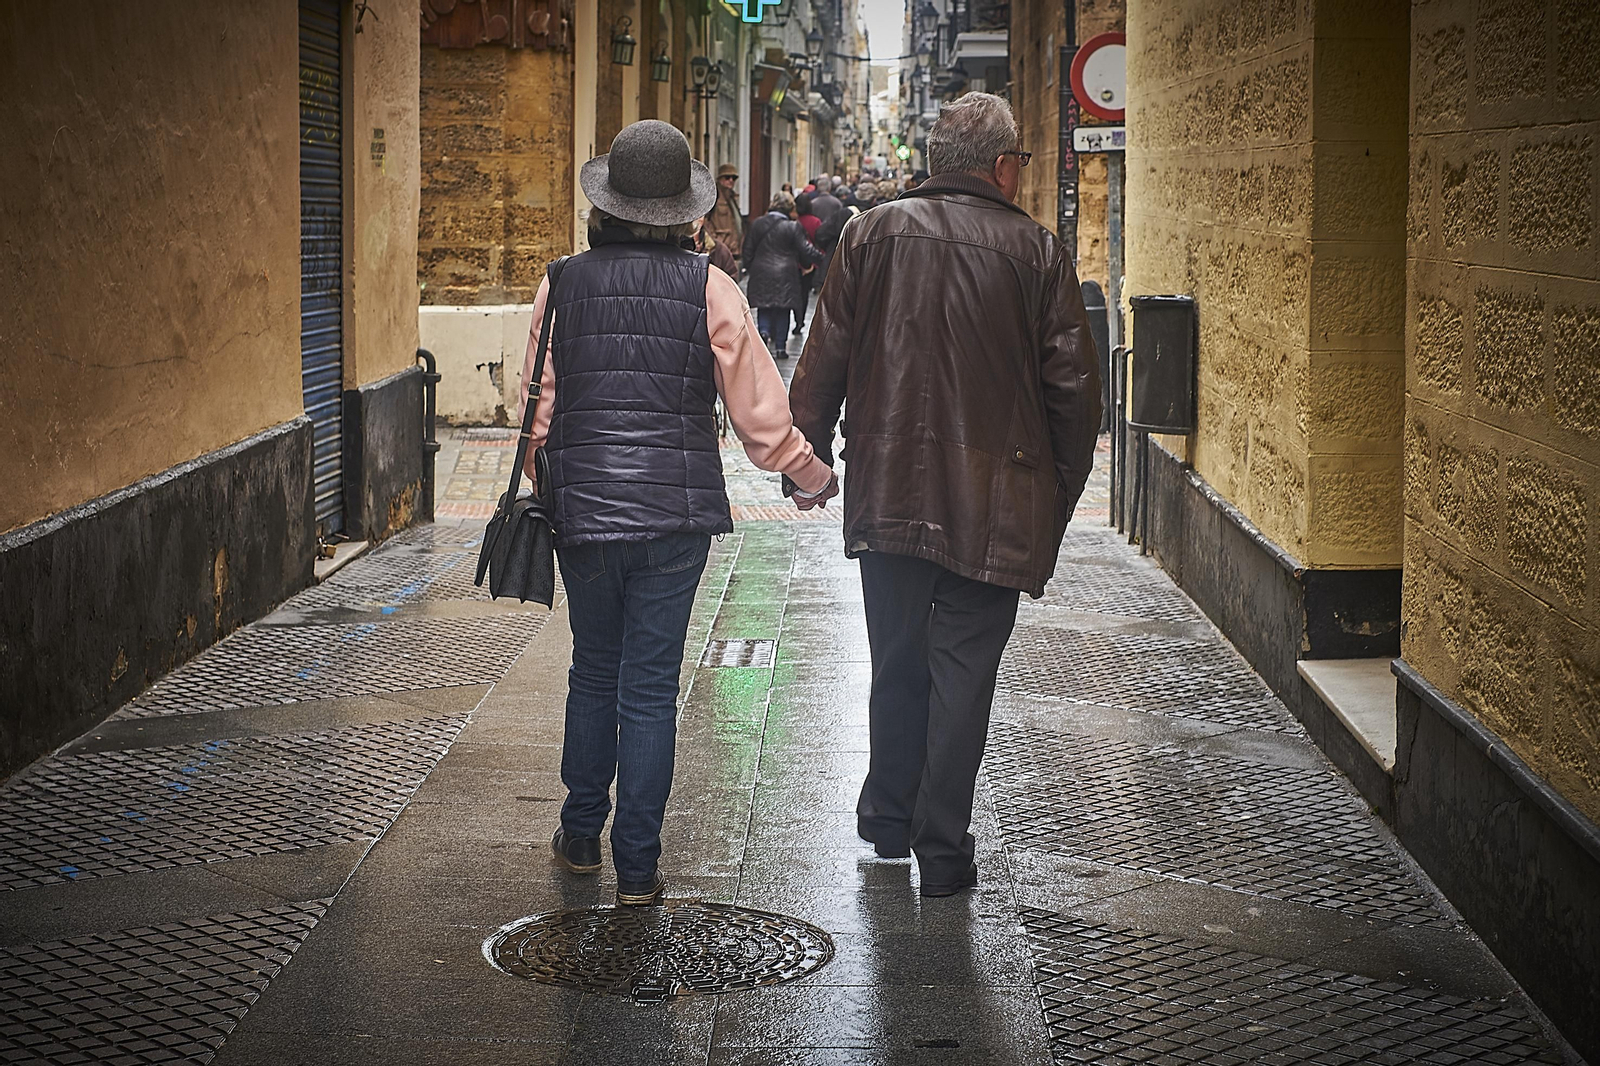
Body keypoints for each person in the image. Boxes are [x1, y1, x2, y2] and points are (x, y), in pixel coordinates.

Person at [787, 92, 1101, 898]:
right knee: (963, 677)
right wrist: (1055, 500)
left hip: (889, 488)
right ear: (1001, 167)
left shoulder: (871, 234)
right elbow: (1074, 392)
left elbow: (825, 354)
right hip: (998, 504)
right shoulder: (1036, 250)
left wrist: (807, 455)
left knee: (895, 658)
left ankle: (888, 817)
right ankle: (944, 848)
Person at [521, 120, 837, 906]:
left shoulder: (560, 282)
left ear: (608, 204)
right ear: (681, 213)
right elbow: (760, 418)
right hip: (674, 518)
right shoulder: (710, 289)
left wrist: (548, 482)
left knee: (593, 669)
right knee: (651, 688)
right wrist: (808, 475)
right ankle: (638, 868)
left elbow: (536, 411)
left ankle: (579, 834)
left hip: (586, 515)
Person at [742, 191, 822, 359]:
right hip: (785, 272)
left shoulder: (758, 223)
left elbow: (748, 250)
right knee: (782, 309)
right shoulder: (793, 226)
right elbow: (805, 249)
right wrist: (823, 260)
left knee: (764, 306)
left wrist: (752, 267)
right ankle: (780, 347)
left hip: (761, 269)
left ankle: (763, 332)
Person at [706, 162, 744, 259]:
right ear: (720, 179)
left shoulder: (732, 198)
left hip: (734, 251)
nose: (731, 180)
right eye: (727, 177)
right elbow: (705, 221)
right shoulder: (714, 196)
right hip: (720, 251)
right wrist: (716, 241)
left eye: (733, 178)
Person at [693, 214, 738, 278]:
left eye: (700, 215)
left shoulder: (719, 250)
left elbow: (731, 279)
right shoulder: (676, 249)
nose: (696, 219)